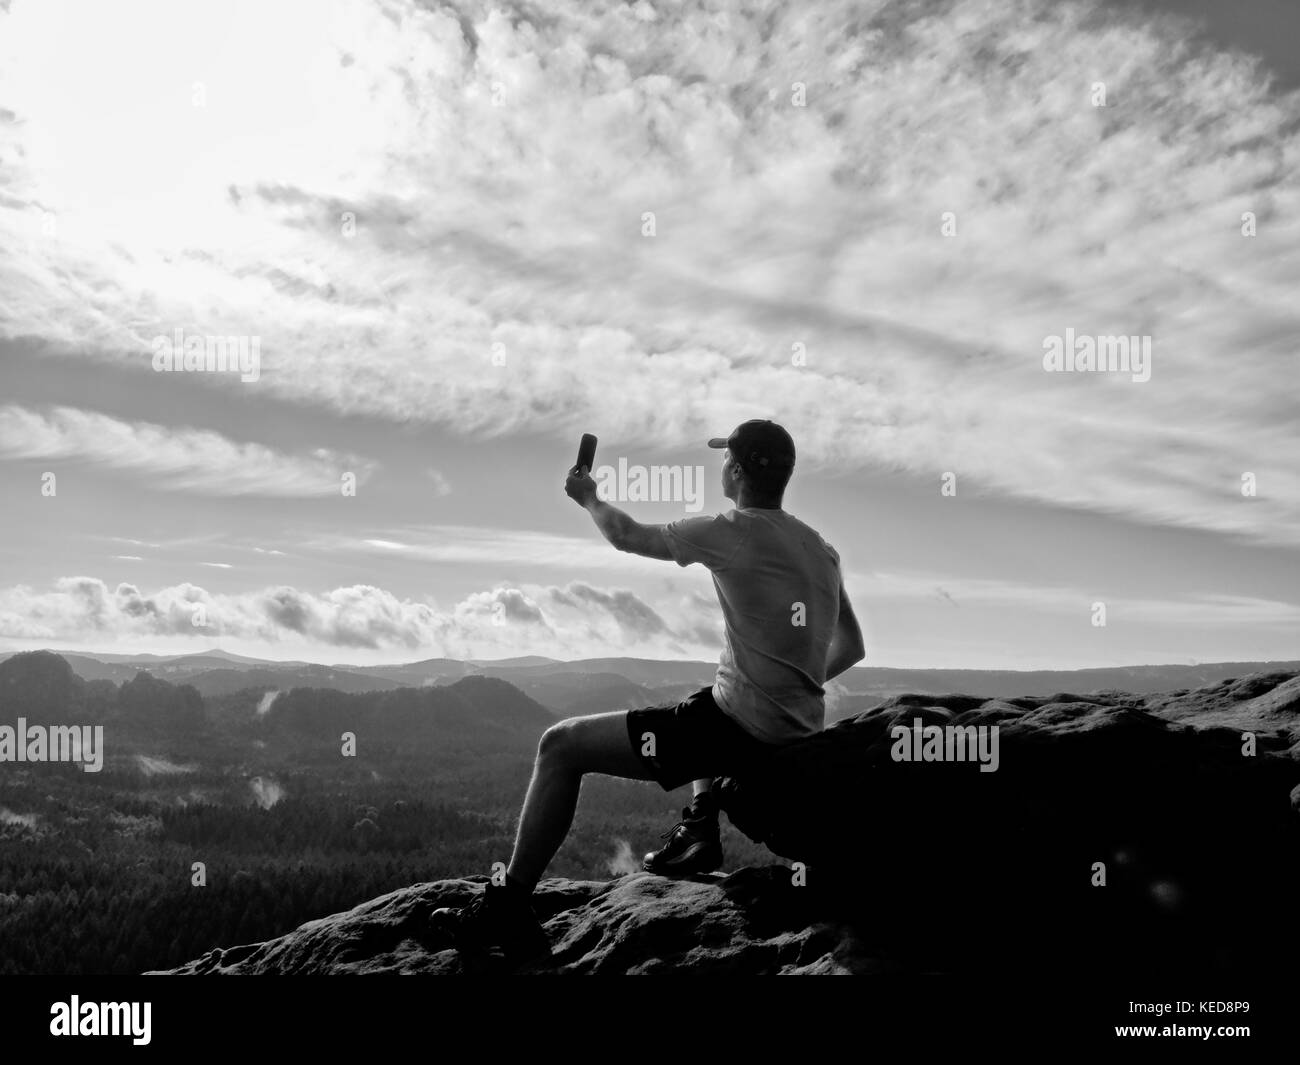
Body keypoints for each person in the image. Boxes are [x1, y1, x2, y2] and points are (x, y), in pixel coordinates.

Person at [428, 419, 866, 957]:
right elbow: (853, 646)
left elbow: (627, 535)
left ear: (735, 468)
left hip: (742, 733)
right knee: (707, 698)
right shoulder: (821, 549)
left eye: (724, 459)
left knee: (559, 746)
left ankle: (506, 907)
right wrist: (792, 685)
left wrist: (587, 497)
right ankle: (701, 826)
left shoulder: (732, 530)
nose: (721, 468)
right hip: (796, 732)